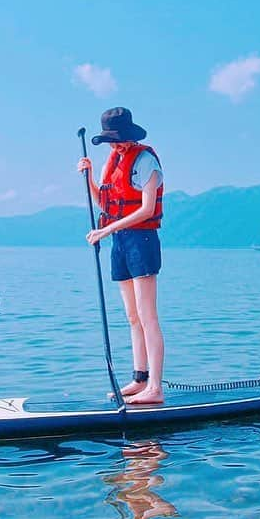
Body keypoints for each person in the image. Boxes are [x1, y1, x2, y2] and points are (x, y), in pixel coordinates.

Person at [78, 107, 166, 405]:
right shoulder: (112, 161)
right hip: (120, 240)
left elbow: (147, 209)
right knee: (132, 317)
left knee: (147, 316)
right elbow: (104, 201)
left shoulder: (146, 161)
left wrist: (105, 231)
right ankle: (139, 379)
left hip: (142, 239)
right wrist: (89, 177)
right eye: (111, 142)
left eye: (118, 141)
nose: (115, 147)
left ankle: (155, 386)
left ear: (129, 136)